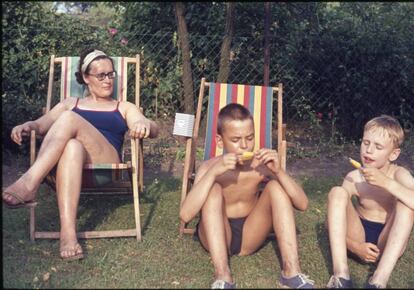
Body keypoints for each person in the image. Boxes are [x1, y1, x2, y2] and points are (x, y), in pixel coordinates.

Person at [2, 48, 159, 261]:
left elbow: (153, 128)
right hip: (67, 170)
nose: (107, 80)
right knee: (73, 145)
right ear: (86, 77)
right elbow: (40, 125)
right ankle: (68, 234)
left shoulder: (123, 107)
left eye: (111, 74)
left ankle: (29, 182)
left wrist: (143, 123)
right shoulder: (70, 103)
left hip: (105, 165)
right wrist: (27, 125)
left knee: (68, 119)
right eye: (101, 75)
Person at [179, 103, 314, 289]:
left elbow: (303, 204)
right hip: (217, 234)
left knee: (276, 187)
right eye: (235, 139)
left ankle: (291, 272)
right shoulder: (209, 167)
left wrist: (279, 171)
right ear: (220, 141)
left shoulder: (260, 166)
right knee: (213, 190)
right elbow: (185, 215)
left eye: (250, 138)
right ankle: (223, 276)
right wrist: (212, 175)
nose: (244, 145)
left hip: (251, 234)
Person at [326, 115, 414, 288]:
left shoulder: (398, 174)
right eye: (366, 143)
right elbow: (332, 222)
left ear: (393, 154)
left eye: (378, 146)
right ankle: (341, 276)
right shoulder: (355, 177)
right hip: (358, 234)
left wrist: (386, 183)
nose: (369, 150)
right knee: (337, 192)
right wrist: (355, 246)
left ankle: (378, 281)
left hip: (388, 240)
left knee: (406, 205)